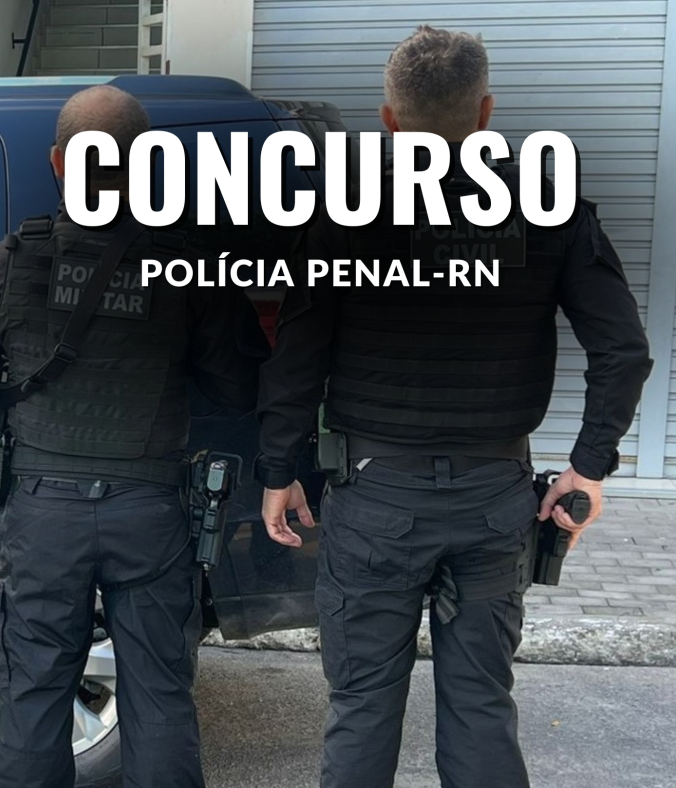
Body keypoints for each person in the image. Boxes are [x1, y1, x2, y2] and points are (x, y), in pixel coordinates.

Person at [256, 26, 653, 788]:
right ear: (486, 112)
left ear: (388, 119)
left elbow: (295, 361)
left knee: (361, 710)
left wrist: (279, 472)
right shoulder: (548, 206)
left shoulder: (342, 213)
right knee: (481, 708)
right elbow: (623, 350)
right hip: (495, 502)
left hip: (374, 499)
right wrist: (589, 467)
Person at [0, 85, 268, 788]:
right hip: (150, 510)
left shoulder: (9, 260)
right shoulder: (187, 264)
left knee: (31, 697)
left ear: (59, 162)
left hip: (45, 511)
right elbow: (241, 388)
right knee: (159, 697)